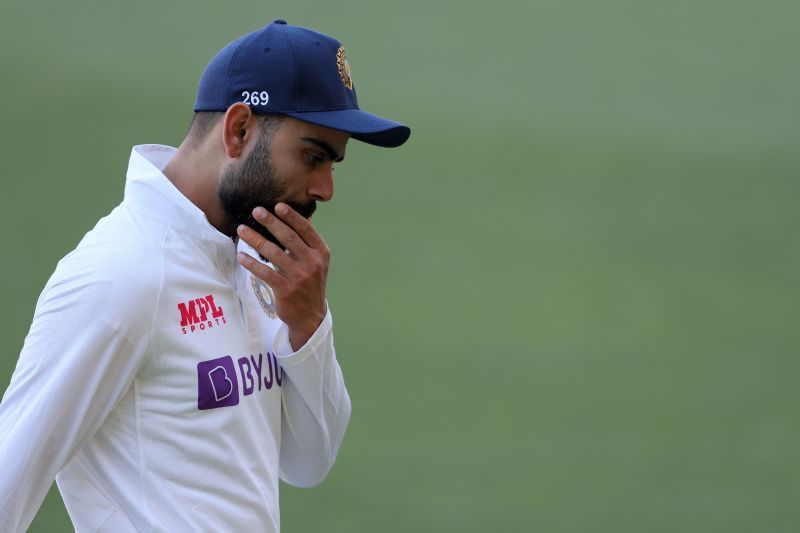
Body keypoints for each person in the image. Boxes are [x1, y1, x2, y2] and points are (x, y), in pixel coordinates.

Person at [0, 19, 410, 532]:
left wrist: (310, 327)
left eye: (334, 164)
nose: (326, 187)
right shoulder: (120, 273)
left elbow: (310, 461)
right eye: (313, 156)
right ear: (239, 130)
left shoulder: (259, 262)